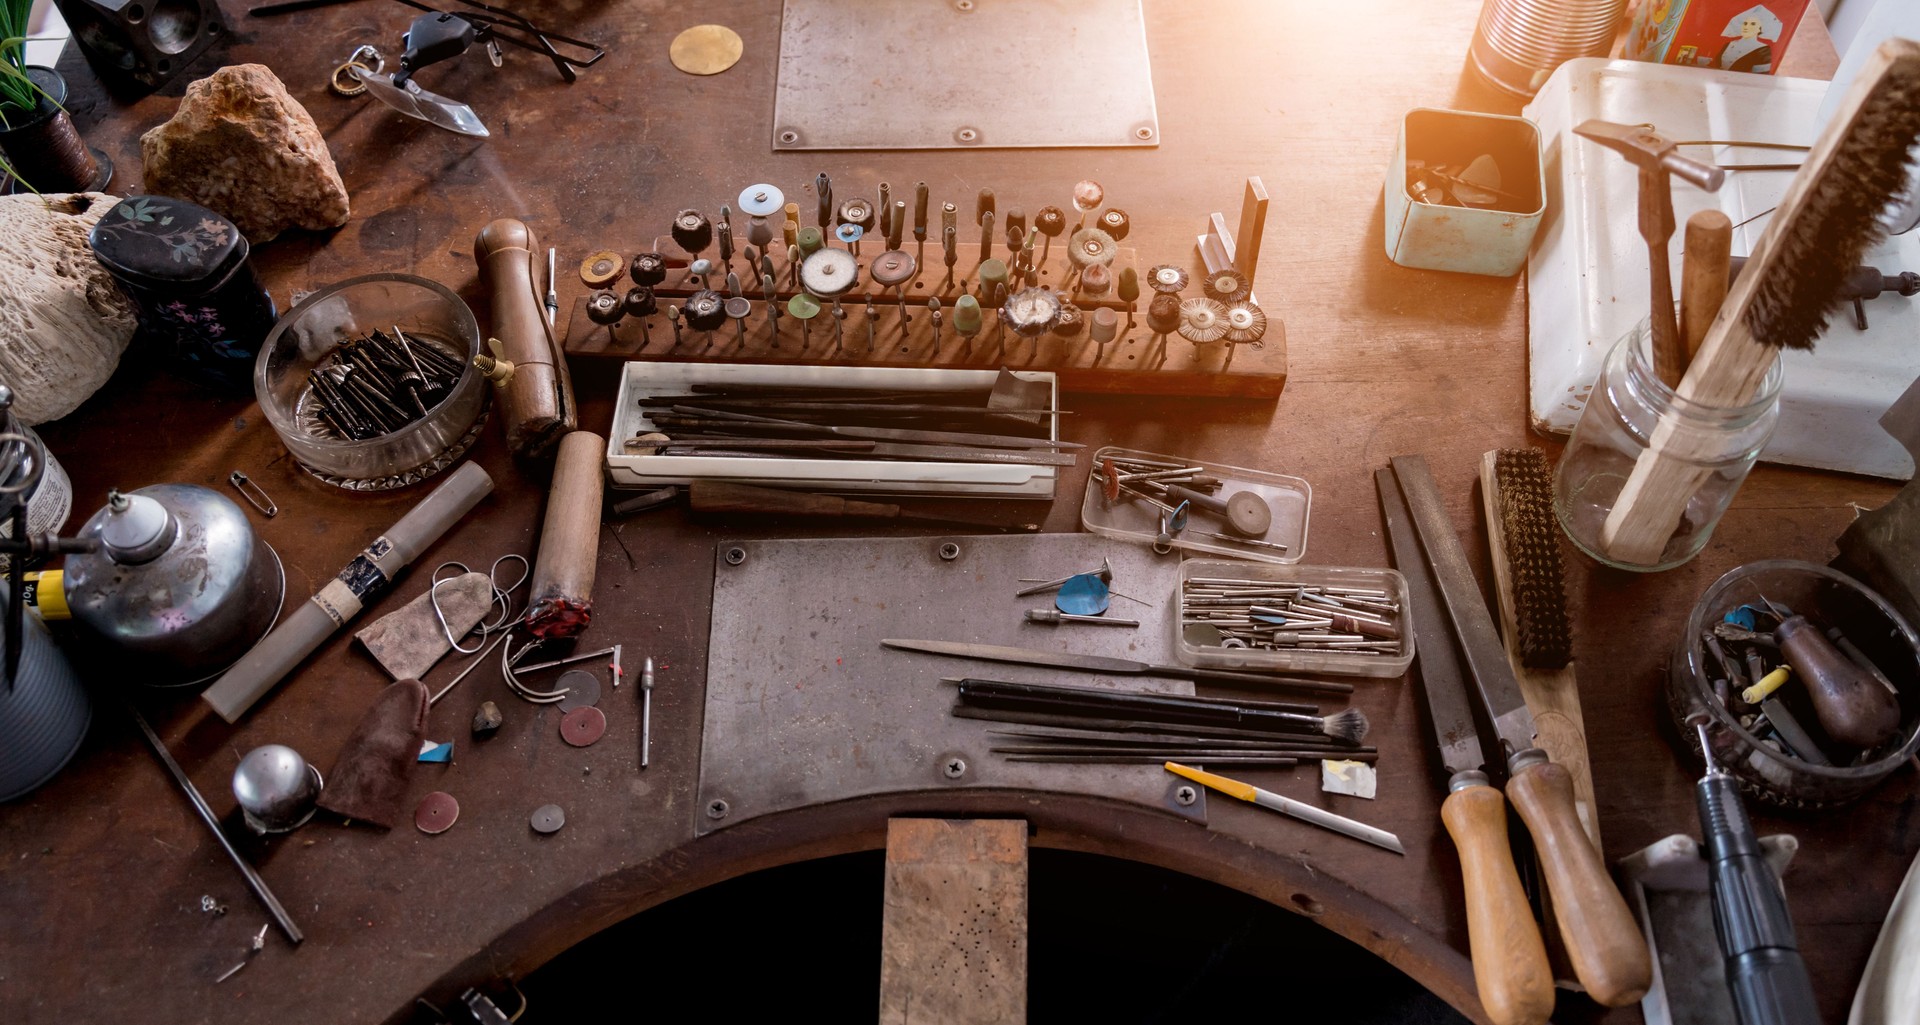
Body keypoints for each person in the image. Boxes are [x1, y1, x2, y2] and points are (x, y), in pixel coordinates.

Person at [1715, 5, 1785, 74]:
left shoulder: (1763, 50)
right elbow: (1714, 65)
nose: (1746, 27)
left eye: (1753, 24)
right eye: (1745, 23)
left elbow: (1760, 78)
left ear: (1760, 29)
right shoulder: (1729, 44)